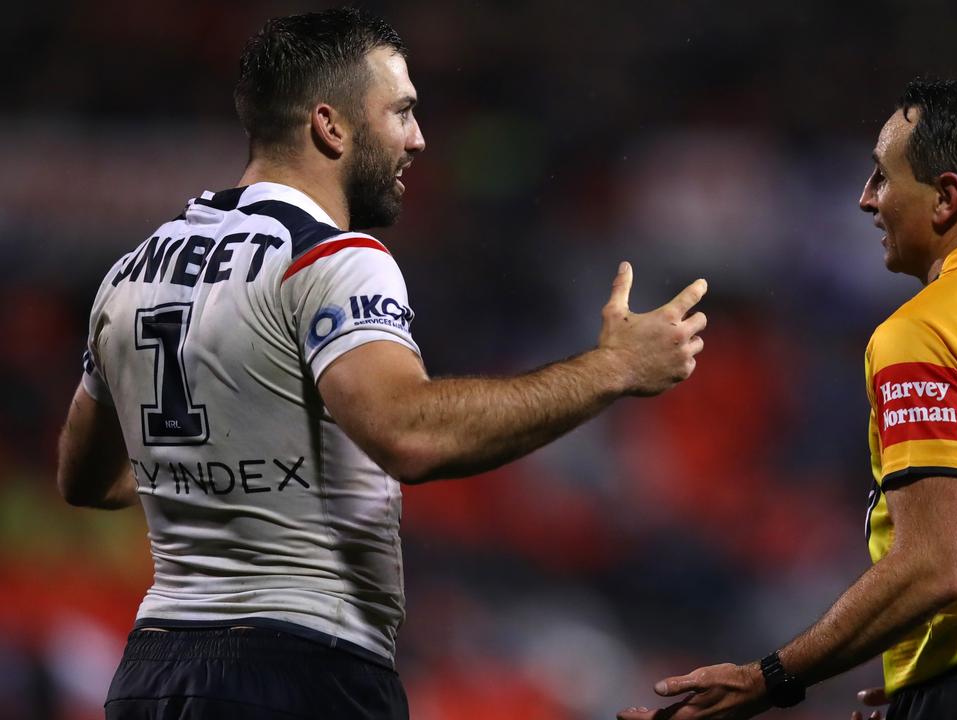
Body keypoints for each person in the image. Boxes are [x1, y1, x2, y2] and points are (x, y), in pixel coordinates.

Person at [55, 8, 708, 720]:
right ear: (331, 126)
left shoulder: (131, 272)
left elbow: (84, 478)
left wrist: (208, 466)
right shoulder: (335, 259)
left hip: (151, 675)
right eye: (401, 112)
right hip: (300, 669)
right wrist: (610, 370)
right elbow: (411, 437)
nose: (419, 139)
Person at [617, 78, 957, 720]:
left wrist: (769, 680)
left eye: (883, 177)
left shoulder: (929, 328)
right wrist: (938, 667)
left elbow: (932, 568)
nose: (866, 199)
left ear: (946, 198)